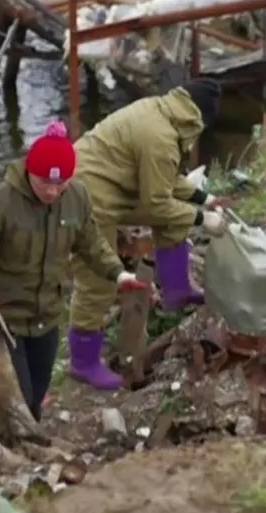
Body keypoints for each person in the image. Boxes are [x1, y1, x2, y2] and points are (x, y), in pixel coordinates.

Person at [0, 121, 152, 416]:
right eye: (45, 182)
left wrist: (117, 273)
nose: (53, 191)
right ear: (29, 171)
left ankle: (30, 431)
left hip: (47, 316)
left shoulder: (77, 198)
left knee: (39, 390)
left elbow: (91, 242)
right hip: (6, 319)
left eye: (61, 183)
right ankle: (11, 443)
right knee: (19, 396)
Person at [66, 79, 227, 390]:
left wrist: (201, 198)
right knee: (98, 277)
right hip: (85, 196)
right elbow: (156, 201)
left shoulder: (162, 111)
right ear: (200, 120)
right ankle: (82, 363)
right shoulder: (163, 138)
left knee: (174, 214)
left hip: (111, 186)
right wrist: (200, 218)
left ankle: (176, 290)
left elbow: (162, 180)